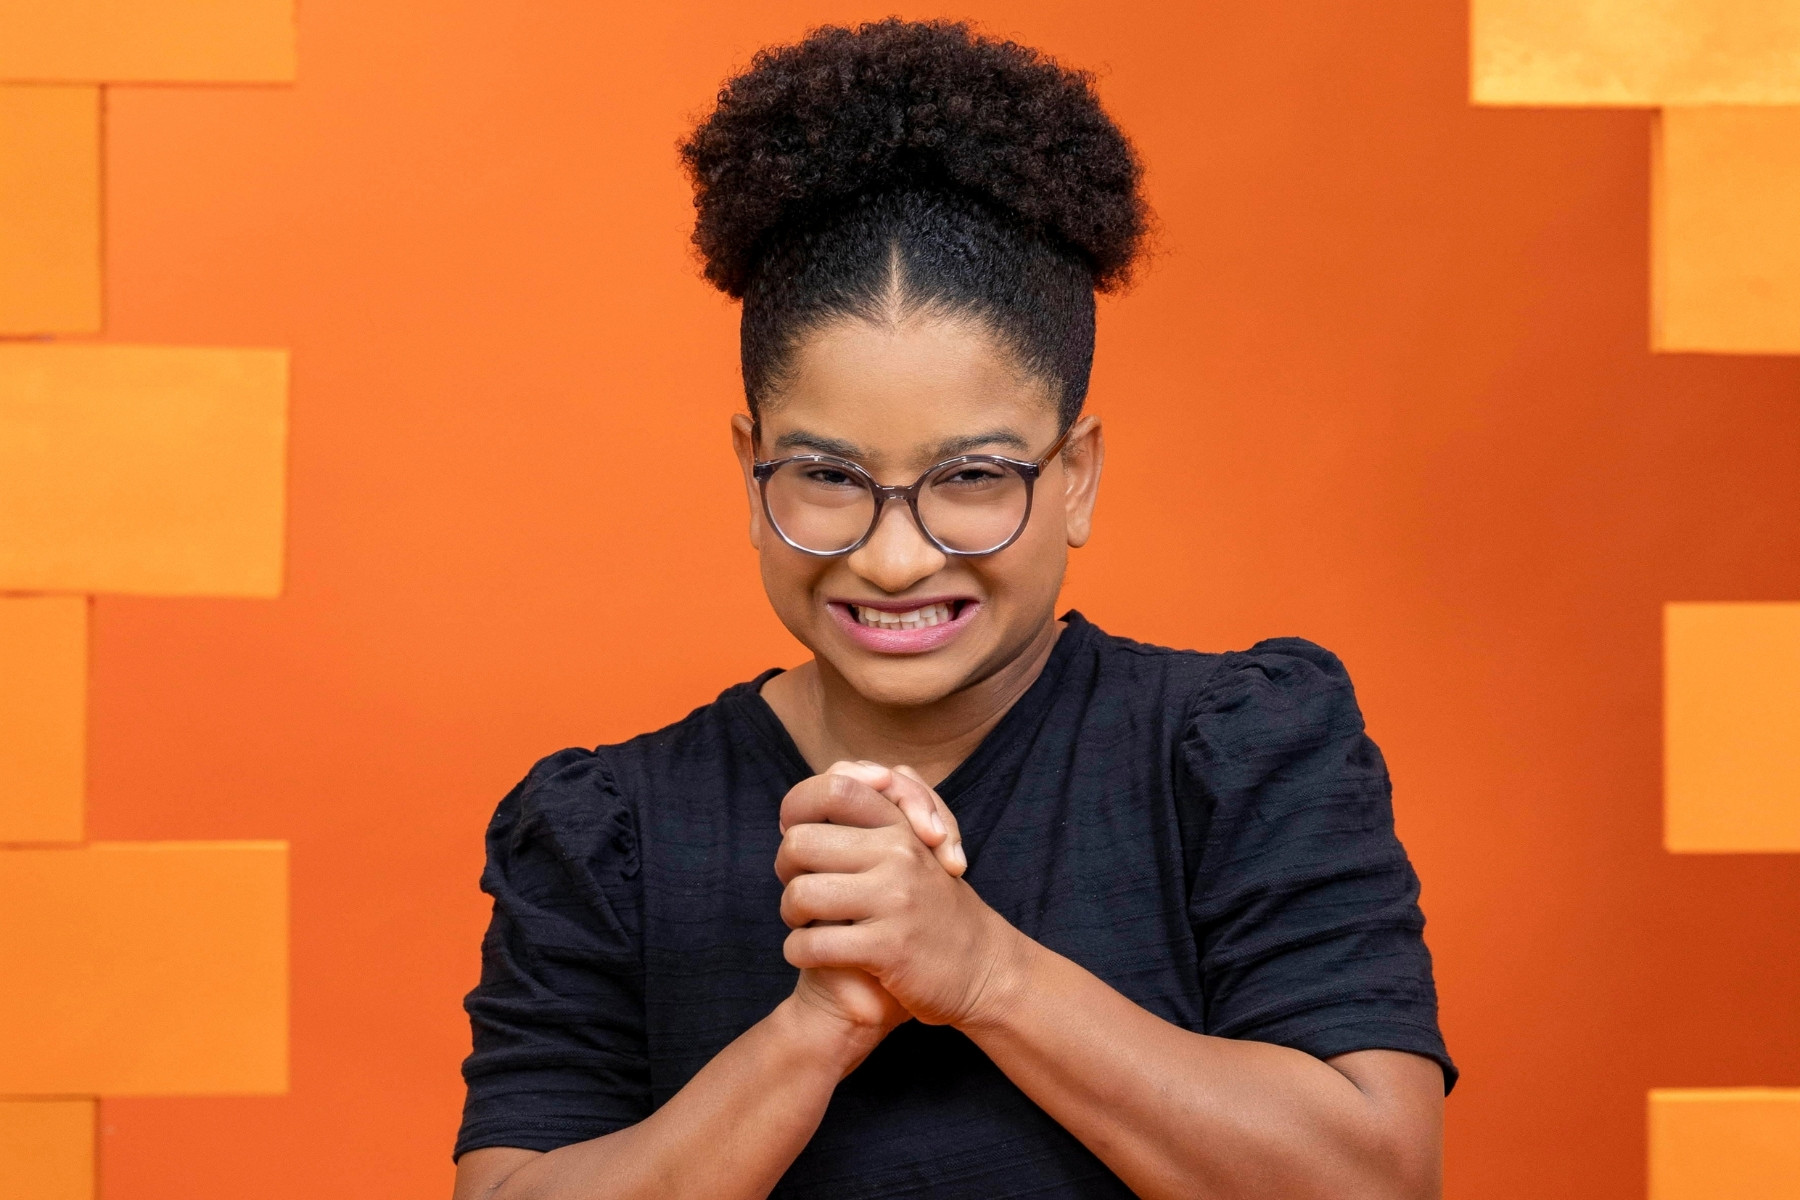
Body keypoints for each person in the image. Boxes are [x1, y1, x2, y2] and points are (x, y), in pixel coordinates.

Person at [451, 19, 1454, 1200]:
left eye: (973, 477)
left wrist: (983, 973)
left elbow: (1376, 1179)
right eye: (827, 477)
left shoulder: (1232, 756)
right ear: (750, 469)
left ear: (1075, 476)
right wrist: (815, 1027)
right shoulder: (608, 834)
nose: (893, 558)